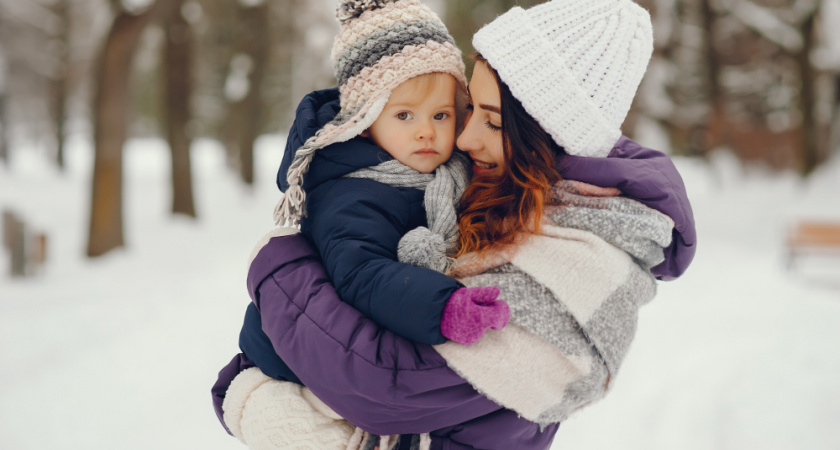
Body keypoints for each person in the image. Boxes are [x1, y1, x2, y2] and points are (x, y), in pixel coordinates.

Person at [213, 0, 698, 449]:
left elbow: (385, 385)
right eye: (469, 112)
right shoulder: (489, 188)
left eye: (488, 120)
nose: (462, 139)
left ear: (548, 135)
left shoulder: (579, 258)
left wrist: (279, 264)